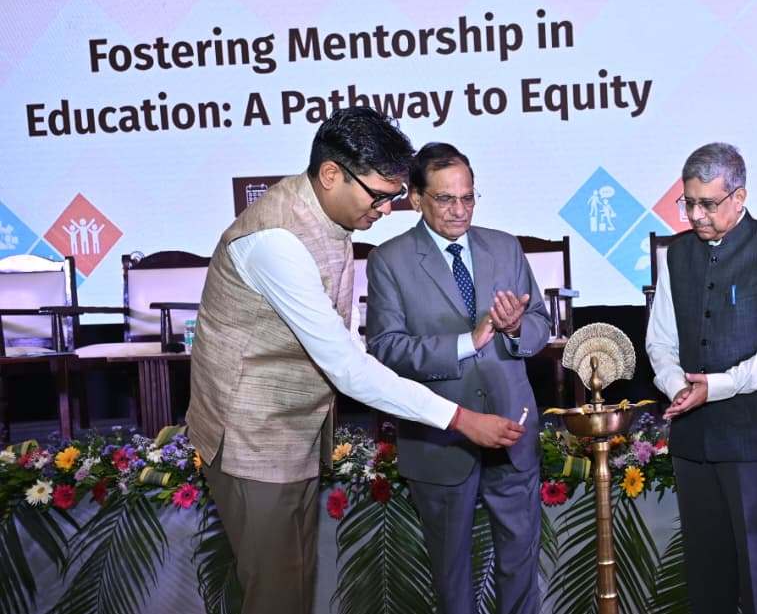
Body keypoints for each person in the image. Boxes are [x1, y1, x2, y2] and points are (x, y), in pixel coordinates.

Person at [185, 109, 525, 614]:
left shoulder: (332, 217)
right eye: (379, 195)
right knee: (275, 595)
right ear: (331, 175)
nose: (386, 209)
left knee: (294, 586)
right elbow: (347, 368)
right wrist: (459, 418)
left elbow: (346, 346)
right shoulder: (277, 240)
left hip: (292, 436)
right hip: (250, 439)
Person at [366, 142, 550, 614]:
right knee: (452, 577)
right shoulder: (389, 260)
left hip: (512, 428)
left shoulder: (505, 247)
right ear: (416, 199)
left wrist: (516, 329)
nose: (460, 209)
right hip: (439, 439)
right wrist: (467, 342)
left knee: (520, 566)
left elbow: (540, 325)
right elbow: (385, 349)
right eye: (446, 199)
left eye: (468, 197)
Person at [645, 142, 757, 614]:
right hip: (693, 440)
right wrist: (676, 385)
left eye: (708, 204)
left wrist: (717, 386)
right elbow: (660, 340)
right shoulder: (677, 254)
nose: (696, 215)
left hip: (755, 439)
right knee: (706, 577)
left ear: (739, 197)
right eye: (688, 203)